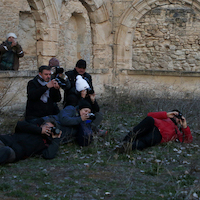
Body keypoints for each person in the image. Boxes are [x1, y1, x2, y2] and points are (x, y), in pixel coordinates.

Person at [117, 110, 192, 153]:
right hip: (152, 124)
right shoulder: (163, 117)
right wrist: (166, 114)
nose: (177, 118)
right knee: (145, 124)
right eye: (176, 116)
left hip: (159, 135)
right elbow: (149, 115)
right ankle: (125, 141)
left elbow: (188, 140)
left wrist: (184, 126)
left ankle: (127, 147)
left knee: (146, 140)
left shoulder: (176, 132)